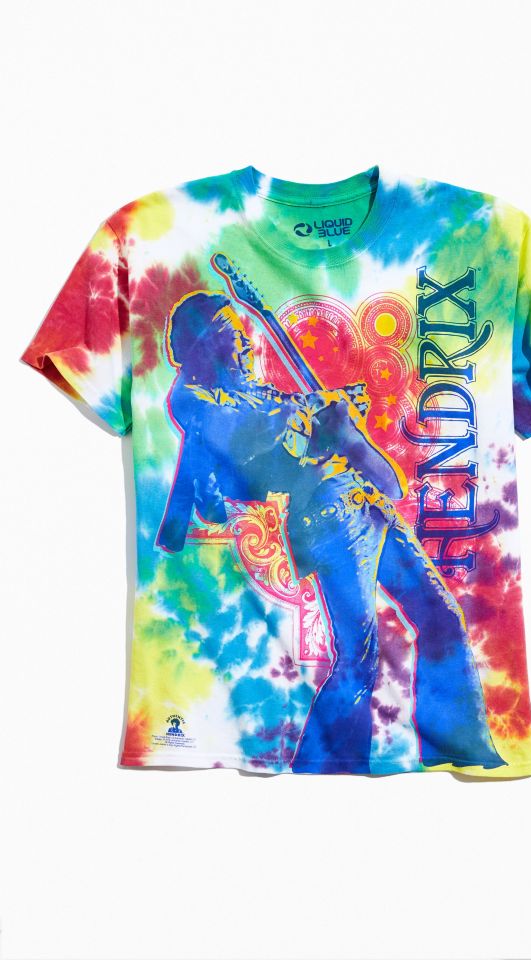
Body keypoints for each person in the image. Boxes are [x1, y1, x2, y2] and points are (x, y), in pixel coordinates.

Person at [156, 290, 506, 774]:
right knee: (358, 659)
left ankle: (461, 746)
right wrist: (315, 407)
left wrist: (332, 416)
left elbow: (299, 423)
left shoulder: (256, 391)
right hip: (330, 523)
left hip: (368, 503)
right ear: (210, 342)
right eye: (235, 334)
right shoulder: (195, 400)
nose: (248, 343)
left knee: (443, 616)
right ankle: (323, 767)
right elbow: (244, 433)